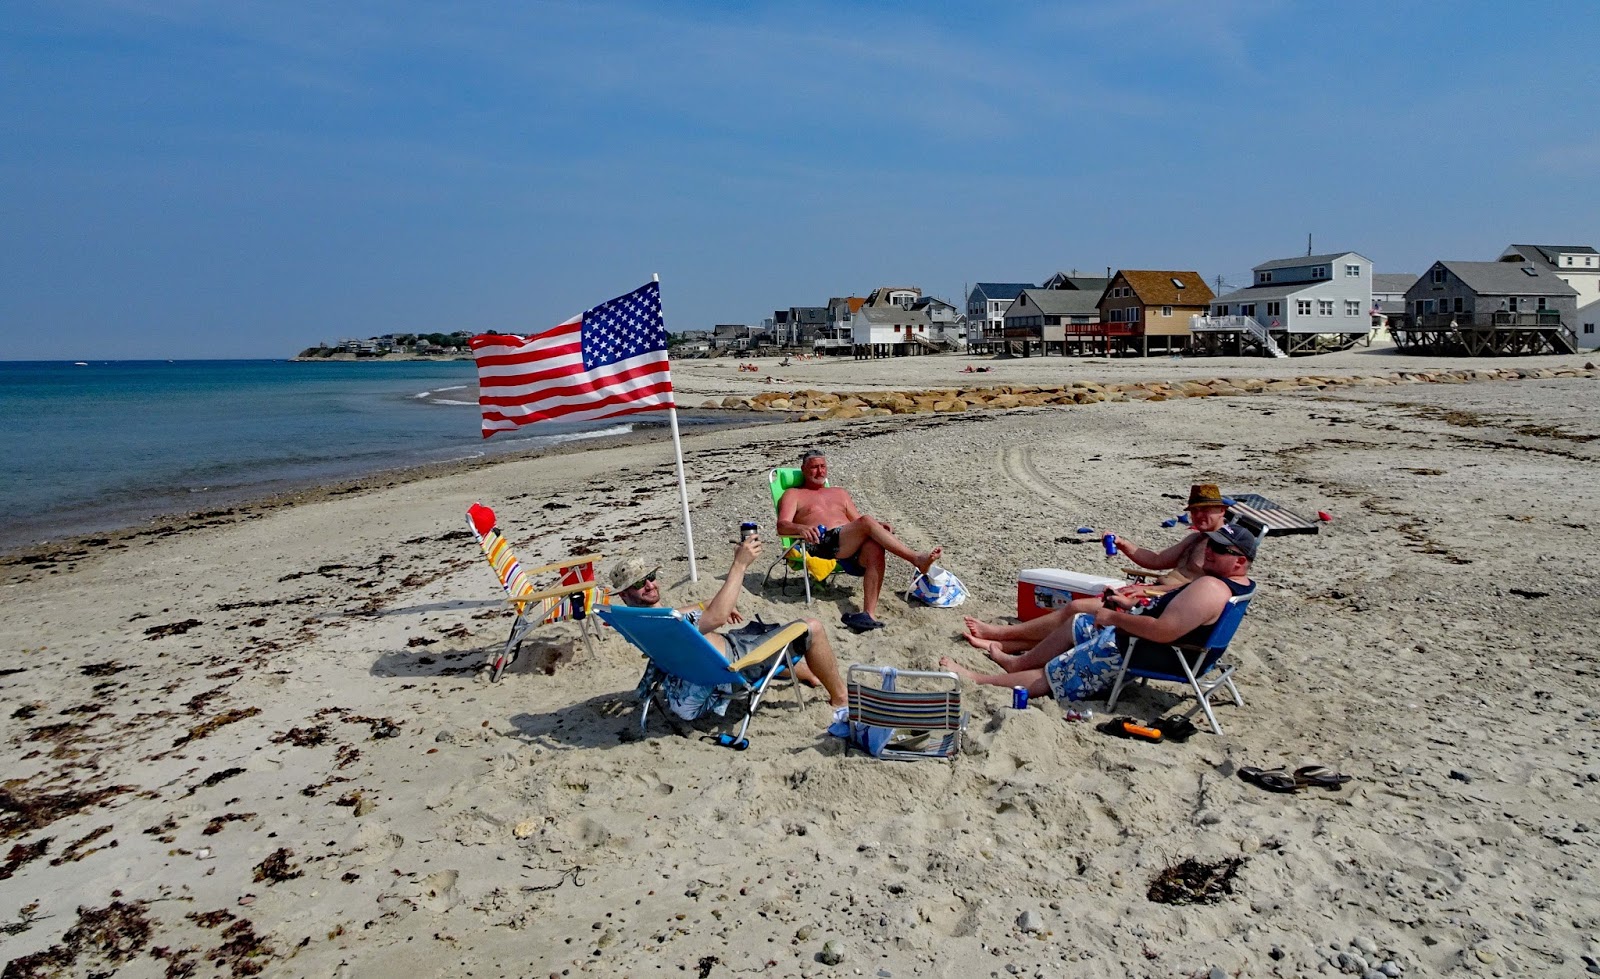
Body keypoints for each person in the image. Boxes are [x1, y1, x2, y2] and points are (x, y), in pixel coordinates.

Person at [940, 523, 1258, 704]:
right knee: (1080, 620)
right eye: (1211, 546)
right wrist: (1129, 606)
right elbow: (1170, 615)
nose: (1210, 553)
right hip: (1153, 643)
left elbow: (1164, 632)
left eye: (1219, 550)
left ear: (1240, 561)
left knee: (1057, 671)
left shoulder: (1211, 589)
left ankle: (980, 678)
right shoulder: (1232, 584)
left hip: (1141, 651)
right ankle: (1017, 661)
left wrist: (1117, 618)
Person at [961, 482, 1230, 656]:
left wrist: (1148, 589)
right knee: (1076, 615)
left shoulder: (1223, 550)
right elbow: (1157, 560)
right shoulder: (1196, 538)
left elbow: (1201, 591)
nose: (1199, 516)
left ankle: (999, 634)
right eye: (1195, 511)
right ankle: (1006, 645)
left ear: (1223, 511)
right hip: (1151, 594)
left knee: (1075, 610)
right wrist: (1124, 545)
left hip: (1159, 603)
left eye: (1207, 510)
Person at [611, 536, 848, 721]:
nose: (650, 585)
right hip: (735, 665)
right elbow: (717, 617)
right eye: (640, 583)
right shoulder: (667, 624)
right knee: (812, 628)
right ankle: (840, 699)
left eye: (651, 576)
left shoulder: (639, 622)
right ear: (624, 594)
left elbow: (687, 613)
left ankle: (810, 674)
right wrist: (740, 564)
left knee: (757, 632)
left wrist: (706, 605)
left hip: (713, 657)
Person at [775, 448, 942, 633]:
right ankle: (915, 558)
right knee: (867, 521)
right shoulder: (793, 494)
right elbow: (782, 525)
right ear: (804, 469)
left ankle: (868, 614)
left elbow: (857, 522)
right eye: (814, 467)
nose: (820, 471)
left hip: (847, 545)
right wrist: (801, 528)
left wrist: (878, 526)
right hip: (821, 543)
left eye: (823, 466)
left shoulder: (839, 493)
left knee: (874, 547)